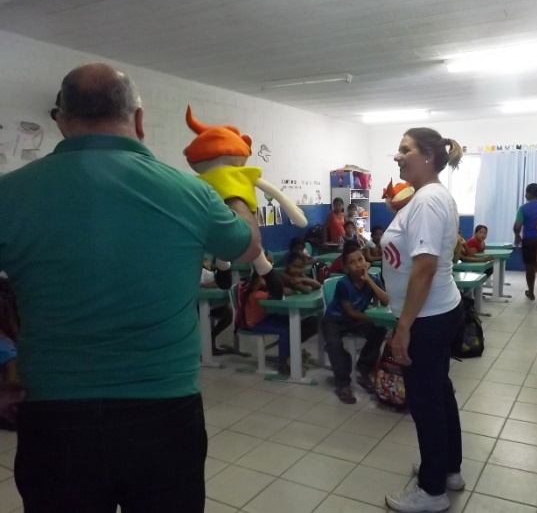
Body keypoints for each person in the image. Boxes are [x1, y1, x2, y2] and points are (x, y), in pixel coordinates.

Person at [0, 63, 264, 512]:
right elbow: (248, 246)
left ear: (60, 119)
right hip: (164, 411)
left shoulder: (9, 194)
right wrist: (236, 188)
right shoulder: (190, 192)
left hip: (54, 414)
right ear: (139, 120)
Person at [382, 127, 464, 512]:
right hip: (436, 310)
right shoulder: (426, 197)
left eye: (405, 149)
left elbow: (425, 267)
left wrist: (404, 326)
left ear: (428, 156)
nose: (397, 156)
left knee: (426, 401)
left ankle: (432, 492)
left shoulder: (428, 200)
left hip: (426, 317)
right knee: (439, 392)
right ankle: (448, 469)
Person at [322, 246, 389, 404]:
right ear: (346, 268)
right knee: (334, 344)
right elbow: (351, 312)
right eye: (352, 262)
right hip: (334, 320)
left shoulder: (372, 279)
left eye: (360, 260)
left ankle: (364, 368)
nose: (358, 265)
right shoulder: (343, 284)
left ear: (366, 261)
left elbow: (386, 301)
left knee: (380, 329)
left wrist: (369, 280)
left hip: (355, 320)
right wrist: (373, 318)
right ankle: (343, 384)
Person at [514, 183, 537, 308]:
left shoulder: (523, 208)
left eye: (526, 193)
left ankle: (531, 292)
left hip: (529, 240)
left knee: (530, 267)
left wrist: (517, 235)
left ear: (529, 193)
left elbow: (517, 226)